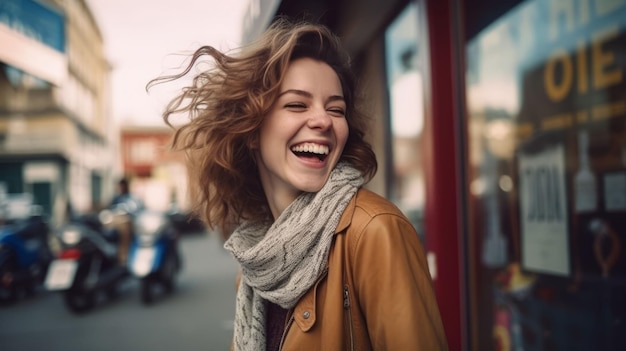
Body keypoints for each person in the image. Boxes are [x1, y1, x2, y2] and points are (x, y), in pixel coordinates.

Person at [149, 18, 448, 351]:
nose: (323, 120)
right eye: (296, 104)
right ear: (250, 129)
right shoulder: (255, 263)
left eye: (336, 109)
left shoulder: (375, 231)